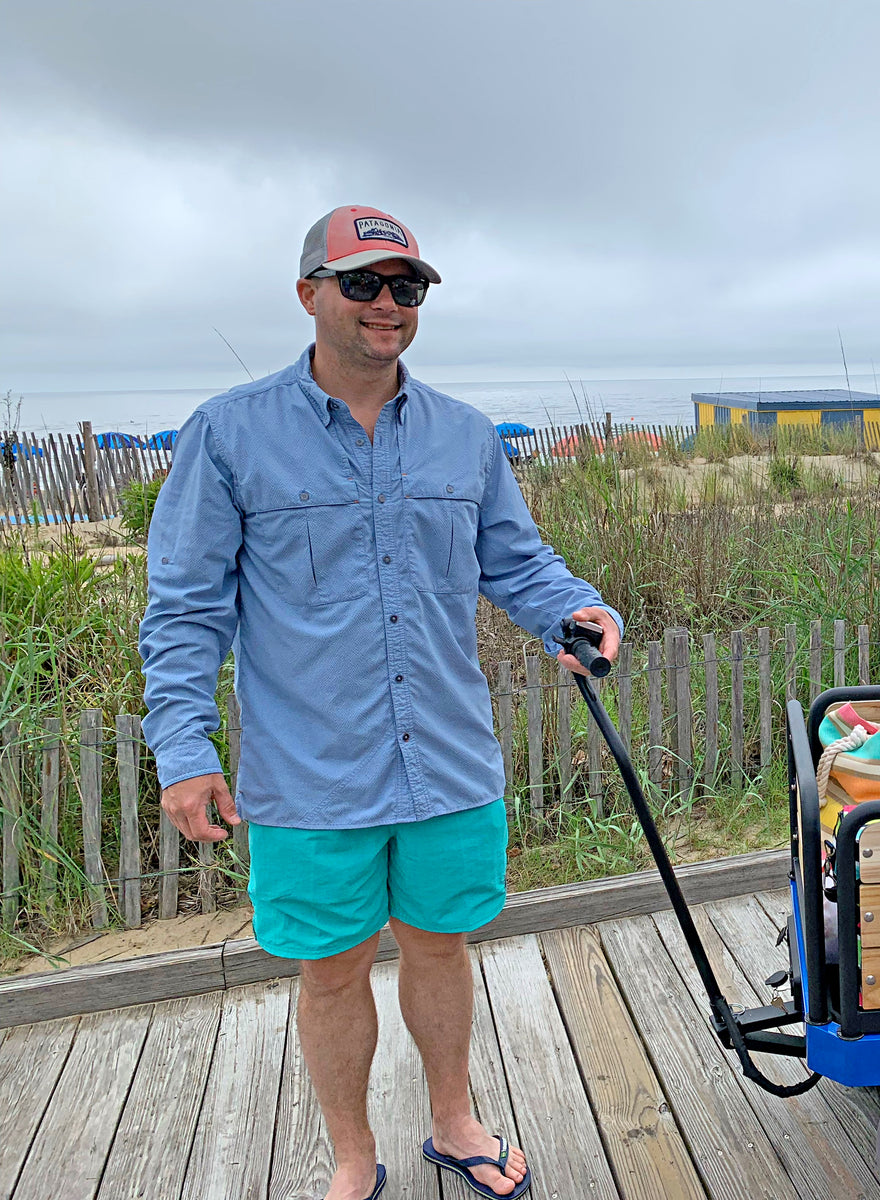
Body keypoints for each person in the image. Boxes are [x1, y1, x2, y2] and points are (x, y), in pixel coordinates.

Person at [140, 205, 621, 1200]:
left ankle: (454, 1120)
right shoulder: (227, 433)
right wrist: (183, 748)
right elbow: (185, 607)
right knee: (329, 970)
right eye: (362, 283)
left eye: (407, 287)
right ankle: (354, 1156)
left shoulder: (465, 435)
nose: (386, 305)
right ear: (310, 291)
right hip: (307, 774)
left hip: (447, 760)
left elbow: (515, 560)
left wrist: (576, 608)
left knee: (441, 950)